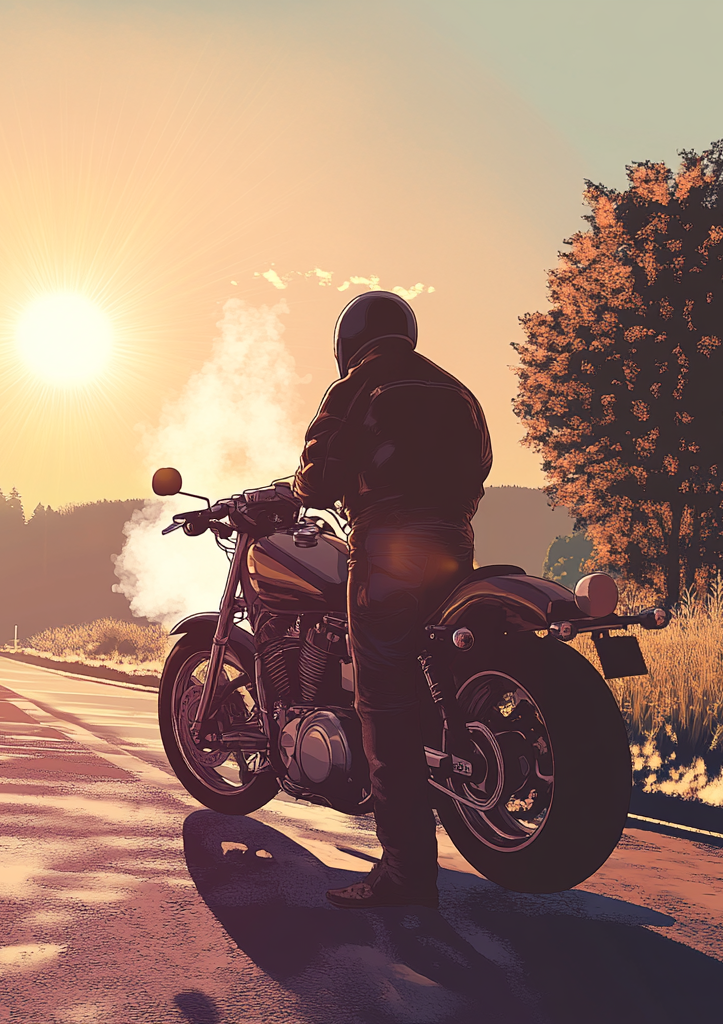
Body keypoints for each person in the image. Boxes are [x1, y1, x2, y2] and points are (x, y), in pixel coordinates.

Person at [293, 291, 492, 910]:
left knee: (382, 698)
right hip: (454, 548)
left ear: (348, 342)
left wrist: (304, 486)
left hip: (386, 550)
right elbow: (482, 463)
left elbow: (319, 474)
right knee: (428, 671)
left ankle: (406, 873)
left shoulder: (356, 386)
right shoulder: (455, 388)